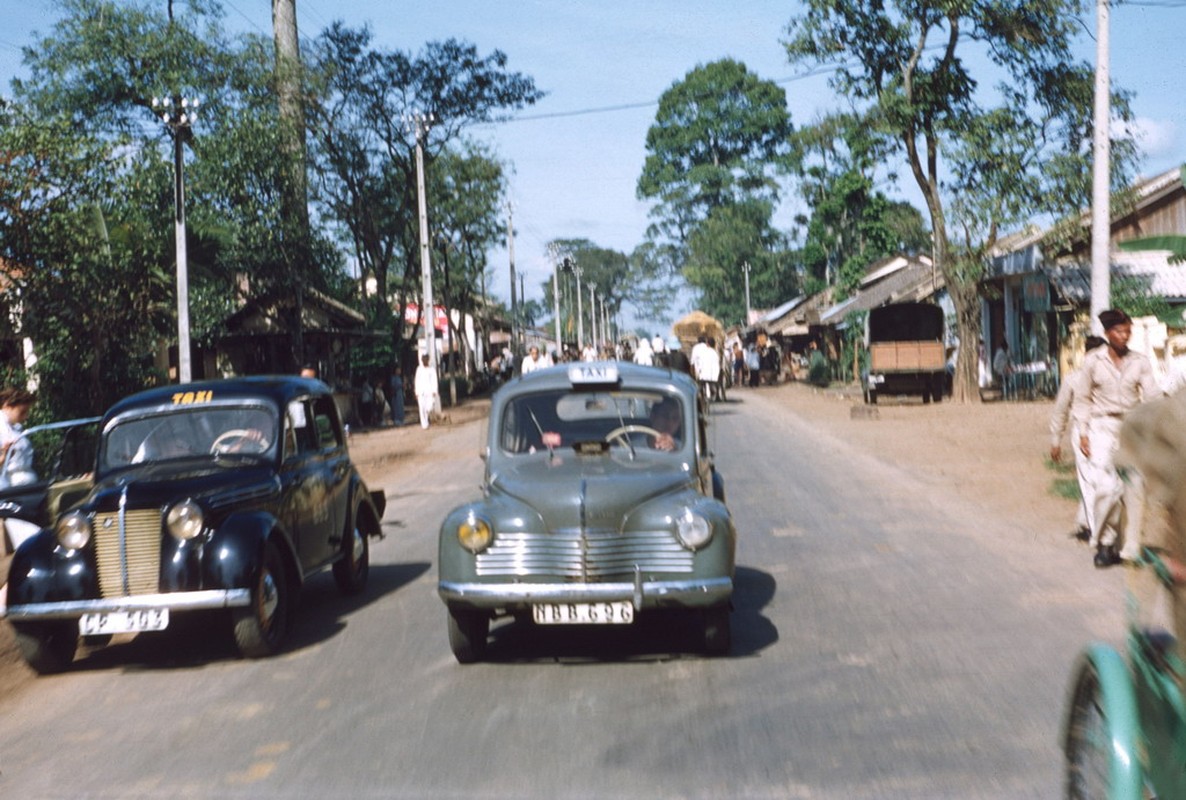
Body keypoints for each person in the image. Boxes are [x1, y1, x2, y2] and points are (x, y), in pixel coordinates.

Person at [1072, 309, 1162, 567]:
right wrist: (1084, 433)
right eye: (1120, 331)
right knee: (1107, 487)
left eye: (1128, 331)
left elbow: (1152, 396)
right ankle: (1106, 542)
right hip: (1102, 426)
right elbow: (1082, 399)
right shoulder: (1093, 360)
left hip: (1132, 427)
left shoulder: (1140, 361)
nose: (1125, 336)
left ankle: (1130, 548)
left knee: (1134, 488)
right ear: (1107, 333)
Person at [1049, 336, 1106, 542]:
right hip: (1083, 435)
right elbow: (1060, 411)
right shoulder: (1074, 379)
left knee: (1106, 480)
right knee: (1088, 481)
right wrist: (1056, 441)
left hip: (1107, 433)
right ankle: (1096, 530)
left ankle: (1088, 521)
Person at [414, 355, 439, 429]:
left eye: (426, 359)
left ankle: (426, 419)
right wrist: (416, 392)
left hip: (429, 391)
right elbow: (417, 381)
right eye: (423, 359)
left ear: (428, 360)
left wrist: (434, 390)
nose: (424, 361)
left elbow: (434, 380)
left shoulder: (431, 369)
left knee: (429, 407)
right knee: (421, 408)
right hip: (421, 391)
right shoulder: (419, 369)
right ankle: (424, 424)